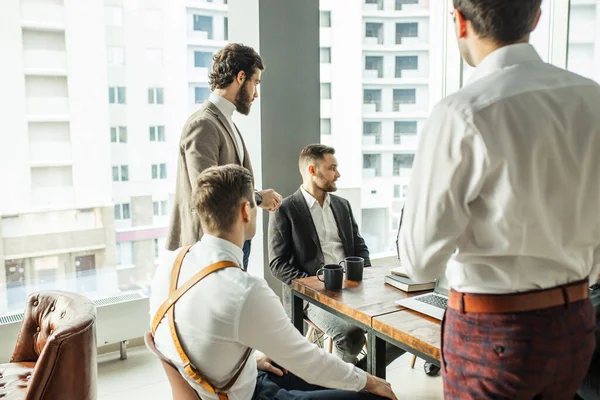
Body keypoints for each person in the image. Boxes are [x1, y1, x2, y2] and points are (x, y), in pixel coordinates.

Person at [398, 0, 600, 398]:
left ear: (458, 21)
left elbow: (419, 261)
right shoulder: (593, 99)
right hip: (575, 323)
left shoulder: (460, 112)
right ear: (537, 18)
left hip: (495, 334)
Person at [150, 165, 397, 400]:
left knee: (310, 370)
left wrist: (249, 360)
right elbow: (307, 361)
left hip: (220, 383)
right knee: (374, 395)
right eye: (256, 204)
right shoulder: (245, 290)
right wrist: (370, 381)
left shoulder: (170, 263)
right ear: (246, 211)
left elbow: (193, 337)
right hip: (248, 394)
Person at [269, 144, 403, 368]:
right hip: (312, 297)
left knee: (399, 329)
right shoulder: (285, 209)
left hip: (354, 288)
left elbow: (360, 248)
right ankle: (352, 382)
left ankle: (357, 377)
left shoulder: (343, 205)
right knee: (351, 338)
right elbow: (277, 263)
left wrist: (366, 278)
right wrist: (313, 285)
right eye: (332, 168)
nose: (338, 174)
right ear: (312, 170)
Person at [166, 43, 282, 270]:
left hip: (230, 243)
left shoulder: (224, 121)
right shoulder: (203, 124)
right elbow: (208, 192)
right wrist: (258, 198)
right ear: (241, 77)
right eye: (255, 83)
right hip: (209, 250)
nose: (256, 94)